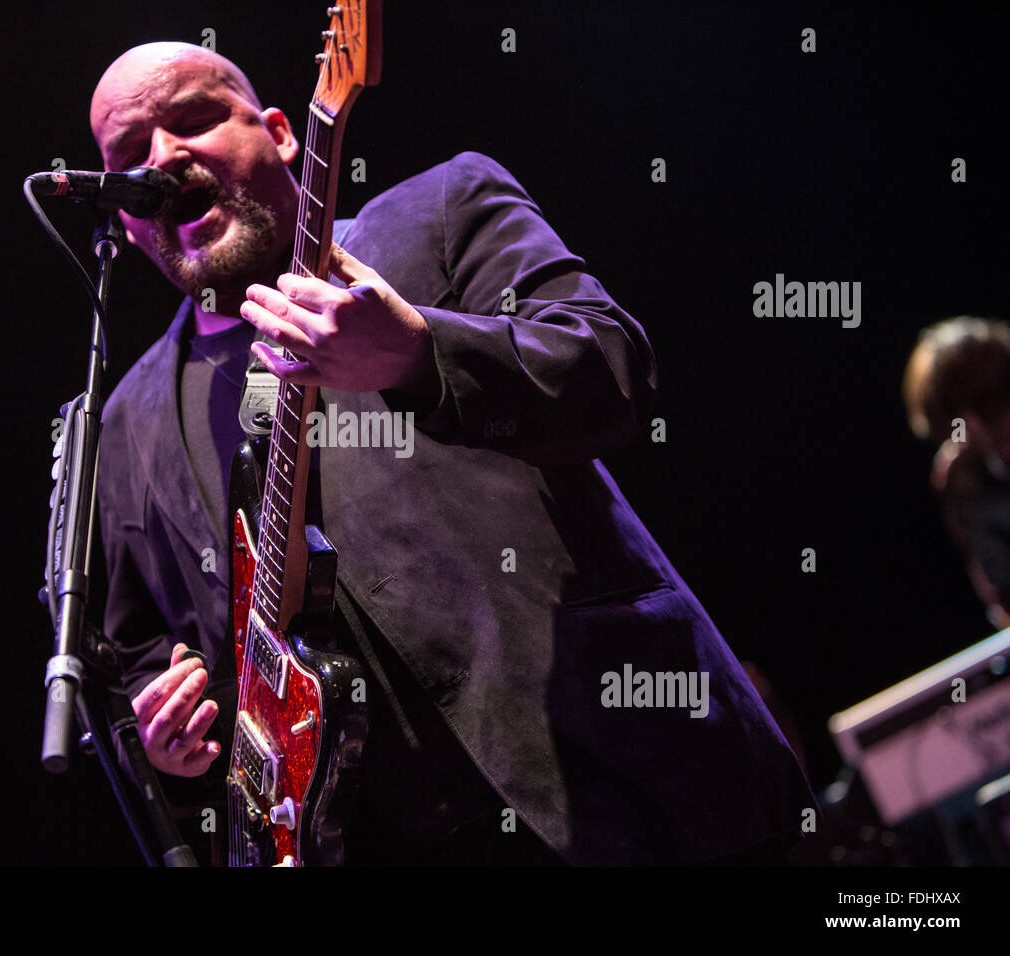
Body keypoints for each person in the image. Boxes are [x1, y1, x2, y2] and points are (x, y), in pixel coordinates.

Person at [89, 41, 815, 864]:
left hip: (617, 781)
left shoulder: (440, 208)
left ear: (284, 133)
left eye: (192, 120)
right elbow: (140, 652)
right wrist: (169, 732)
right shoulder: (125, 423)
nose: (165, 160)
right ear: (122, 213)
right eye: (128, 159)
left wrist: (416, 354)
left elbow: (615, 371)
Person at [904, 316, 1010, 630]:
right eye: (954, 419)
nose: (974, 428)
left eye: (988, 402)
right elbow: (1000, 598)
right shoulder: (961, 479)